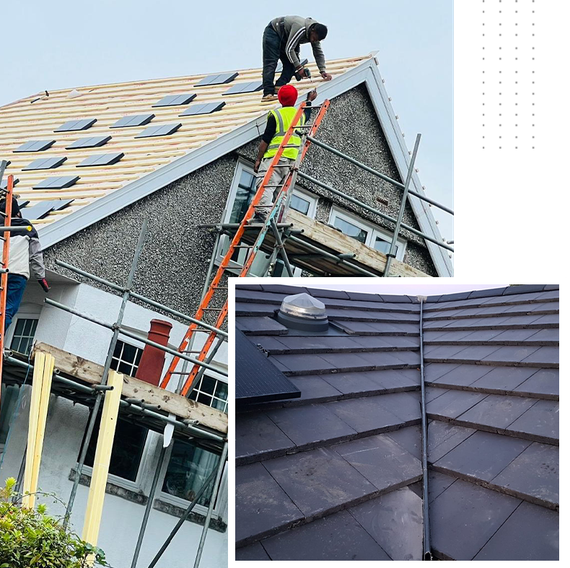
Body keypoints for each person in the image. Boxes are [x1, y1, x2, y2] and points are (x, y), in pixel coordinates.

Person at [252, 84, 317, 222]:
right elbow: (307, 114)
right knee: (280, 190)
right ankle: (276, 217)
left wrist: (258, 159)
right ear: (294, 100)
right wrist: (310, 100)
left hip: (275, 157)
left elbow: (265, 141)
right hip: (291, 159)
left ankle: (262, 213)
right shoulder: (299, 115)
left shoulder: (276, 115)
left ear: (280, 99)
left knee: (266, 184)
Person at [0, 197, 49, 332]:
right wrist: (41, 277)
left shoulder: (1, 227)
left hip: (1, 270)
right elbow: (36, 255)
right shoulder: (26, 227)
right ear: (18, 213)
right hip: (17, 274)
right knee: (7, 310)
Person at [261, 16, 332, 102]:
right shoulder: (300, 28)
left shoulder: (315, 34)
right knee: (271, 63)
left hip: (287, 38)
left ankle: (279, 86)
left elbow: (318, 53)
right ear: (312, 31)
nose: (313, 41)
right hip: (274, 32)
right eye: (313, 38)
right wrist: (299, 68)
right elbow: (289, 49)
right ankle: (267, 93)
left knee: (292, 64)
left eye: (316, 40)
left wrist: (322, 71)